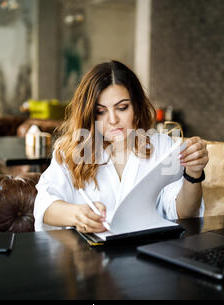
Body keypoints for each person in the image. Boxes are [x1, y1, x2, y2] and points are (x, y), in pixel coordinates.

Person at [34, 60, 209, 233]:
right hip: (89, 257)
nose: (112, 120)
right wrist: (77, 215)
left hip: (148, 252)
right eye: (101, 111)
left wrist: (193, 174)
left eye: (122, 108)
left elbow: (184, 214)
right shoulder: (72, 151)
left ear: (137, 106)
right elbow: (44, 205)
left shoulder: (163, 147)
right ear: (89, 114)